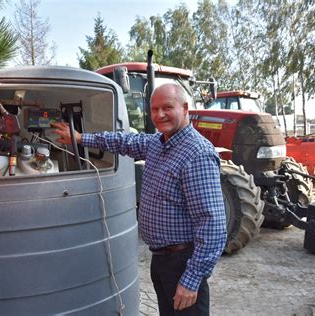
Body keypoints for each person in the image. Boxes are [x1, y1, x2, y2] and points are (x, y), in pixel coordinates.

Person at [52, 83, 227, 315]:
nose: (159, 114)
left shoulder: (197, 154)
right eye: (154, 109)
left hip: (182, 262)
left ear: (185, 109)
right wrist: (80, 137)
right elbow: (121, 141)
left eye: (167, 107)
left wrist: (192, 279)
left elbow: (212, 224)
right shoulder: (158, 143)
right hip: (162, 259)